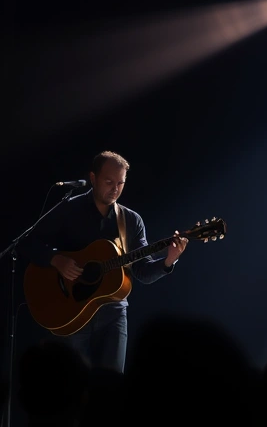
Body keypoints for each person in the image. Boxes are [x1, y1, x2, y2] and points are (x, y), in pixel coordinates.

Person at [25, 151, 187, 371]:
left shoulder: (130, 220)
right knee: (73, 387)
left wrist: (168, 261)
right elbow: (30, 244)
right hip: (72, 309)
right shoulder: (68, 209)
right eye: (109, 181)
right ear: (92, 178)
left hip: (113, 315)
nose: (115, 189)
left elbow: (143, 272)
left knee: (110, 390)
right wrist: (55, 259)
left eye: (121, 183)